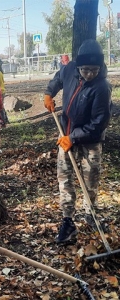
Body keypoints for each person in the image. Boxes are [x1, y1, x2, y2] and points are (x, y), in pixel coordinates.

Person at [44, 39, 112, 244]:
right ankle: (68, 221)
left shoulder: (102, 87)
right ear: (78, 66)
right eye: (85, 70)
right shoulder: (70, 69)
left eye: (94, 70)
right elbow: (58, 78)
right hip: (65, 135)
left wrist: (73, 137)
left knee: (89, 181)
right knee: (65, 180)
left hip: (89, 141)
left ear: (100, 68)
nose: (89, 74)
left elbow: (99, 122)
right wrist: (49, 93)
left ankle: (90, 214)